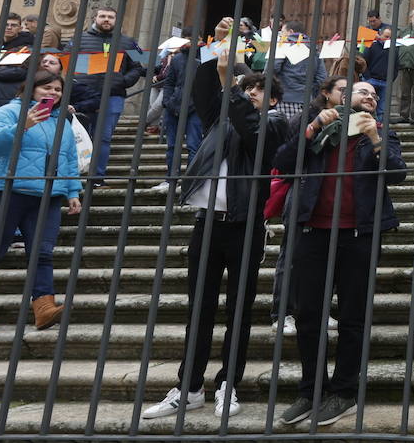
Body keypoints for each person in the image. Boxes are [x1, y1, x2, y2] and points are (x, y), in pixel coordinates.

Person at [143, 26, 291, 421]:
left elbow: (253, 130)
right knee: (200, 309)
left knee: (239, 309)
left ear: (273, 99)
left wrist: (233, 87)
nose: (249, 93)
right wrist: (212, 59)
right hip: (206, 223)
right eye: (247, 88)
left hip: (245, 226)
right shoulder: (221, 122)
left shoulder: (275, 125)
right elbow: (206, 94)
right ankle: (188, 386)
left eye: (257, 90)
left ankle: (229, 383)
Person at [273, 80, 406, 427]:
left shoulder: (382, 134)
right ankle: (311, 390)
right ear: (342, 98)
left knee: (353, 316)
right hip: (313, 232)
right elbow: (283, 162)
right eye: (363, 92)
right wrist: (314, 126)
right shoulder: (321, 130)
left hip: (358, 235)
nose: (370, 97)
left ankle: (344, 391)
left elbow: (397, 172)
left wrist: (374, 137)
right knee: (308, 315)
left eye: (375, 96)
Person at [0, 71, 83, 330]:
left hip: (48, 196)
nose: (53, 93)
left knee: (42, 253)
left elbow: (69, 158)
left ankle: (43, 308)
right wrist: (24, 125)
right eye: (47, 88)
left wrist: (73, 191)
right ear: (30, 89)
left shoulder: (61, 121)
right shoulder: (9, 112)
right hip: (7, 191)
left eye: (57, 89)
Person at [270, 75, 346, 337]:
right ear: (326, 93)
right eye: (342, 89)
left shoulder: (351, 119)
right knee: (290, 257)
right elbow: (286, 157)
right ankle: (283, 313)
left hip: (331, 198)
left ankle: (320, 311)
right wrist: (314, 128)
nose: (347, 94)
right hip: (303, 192)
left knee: (328, 259)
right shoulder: (306, 117)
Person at [64, 6, 143, 183]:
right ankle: (72, 175)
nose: (106, 19)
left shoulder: (129, 42)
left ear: (117, 20)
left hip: (113, 95)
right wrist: (84, 76)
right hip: (83, 95)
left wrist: (123, 80)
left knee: (103, 137)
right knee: (76, 135)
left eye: (111, 17)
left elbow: (140, 65)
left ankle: (97, 176)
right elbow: (67, 62)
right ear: (95, 18)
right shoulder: (79, 38)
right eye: (103, 16)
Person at [155, 31, 205, 192]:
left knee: (193, 146)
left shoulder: (205, 58)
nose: (191, 42)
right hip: (174, 107)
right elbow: (169, 82)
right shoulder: (177, 59)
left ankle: (190, 181)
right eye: (188, 39)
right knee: (172, 146)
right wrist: (167, 101)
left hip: (196, 108)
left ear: (201, 40)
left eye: (195, 38)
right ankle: (171, 178)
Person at [269, 20, 326, 123]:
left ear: (290, 32)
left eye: (282, 32)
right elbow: (322, 78)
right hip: (307, 100)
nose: (280, 35)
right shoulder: (314, 49)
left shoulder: (283, 44)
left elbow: (272, 69)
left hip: (285, 97)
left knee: (284, 133)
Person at [0, 12, 37, 113]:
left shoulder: (26, 47)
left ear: (20, 28)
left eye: (13, 25)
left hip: (9, 93)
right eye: (6, 25)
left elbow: (18, 72)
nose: (9, 28)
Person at [360, 25, 395, 121]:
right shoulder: (372, 46)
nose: (388, 39)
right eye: (386, 36)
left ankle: (378, 126)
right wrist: (367, 77)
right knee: (367, 104)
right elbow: (364, 61)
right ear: (380, 35)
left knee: (382, 108)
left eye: (390, 37)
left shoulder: (394, 49)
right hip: (371, 80)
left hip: (385, 82)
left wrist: (391, 78)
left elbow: (396, 65)